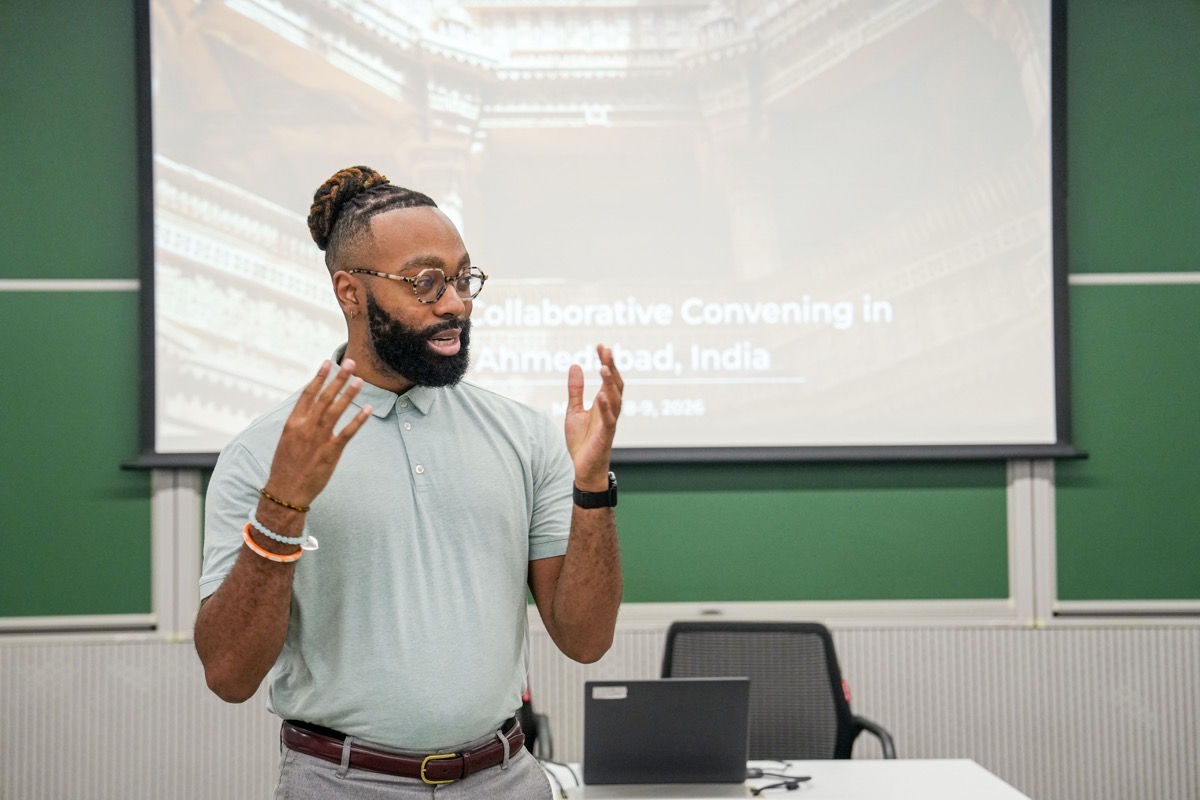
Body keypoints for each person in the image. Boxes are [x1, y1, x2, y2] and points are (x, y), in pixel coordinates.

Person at [195, 165, 624, 799]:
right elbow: (229, 675)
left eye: (462, 278)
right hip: (342, 785)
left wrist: (592, 490)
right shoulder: (265, 453)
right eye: (425, 282)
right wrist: (282, 505)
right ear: (350, 293)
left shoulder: (524, 436)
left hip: (505, 779)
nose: (454, 303)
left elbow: (586, 641)